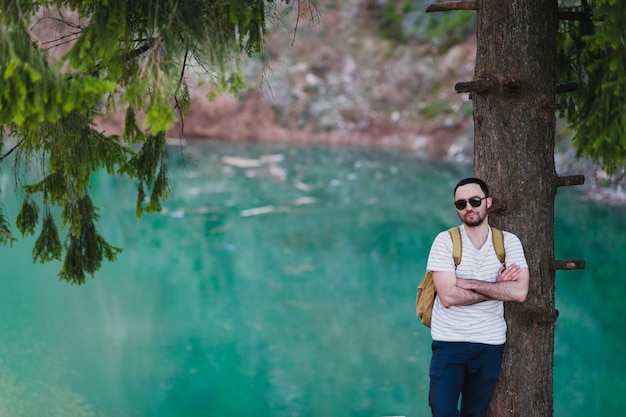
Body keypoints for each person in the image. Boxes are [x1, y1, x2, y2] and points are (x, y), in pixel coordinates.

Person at [425, 177, 529, 417]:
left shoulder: (508, 242)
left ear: (488, 202)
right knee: (442, 411)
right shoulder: (445, 241)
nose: (468, 208)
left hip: (489, 344)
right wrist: (497, 287)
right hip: (448, 343)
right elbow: (449, 296)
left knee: (475, 413)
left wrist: (468, 283)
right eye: (461, 204)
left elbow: (519, 292)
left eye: (474, 200)